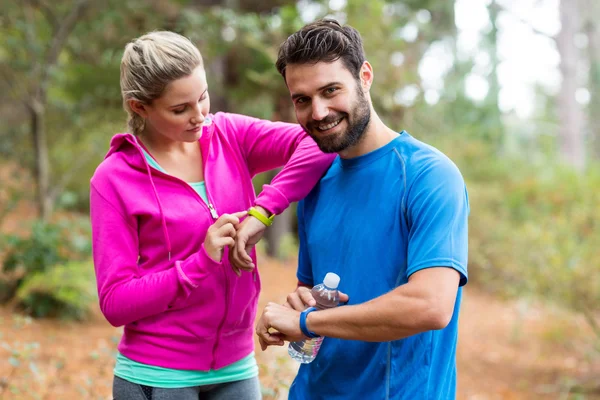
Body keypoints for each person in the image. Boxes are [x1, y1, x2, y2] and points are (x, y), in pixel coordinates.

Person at [89, 31, 334, 400]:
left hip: (238, 368)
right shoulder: (115, 179)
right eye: (179, 109)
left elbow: (317, 141)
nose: (199, 116)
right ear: (139, 107)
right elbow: (115, 301)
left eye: (202, 97)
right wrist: (198, 263)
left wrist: (263, 211)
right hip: (160, 376)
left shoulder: (228, 135)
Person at [254, 19, 470, 400]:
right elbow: (313, 289)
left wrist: (306, 320)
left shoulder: (428, 175)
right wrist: (301, 303)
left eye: (331, 90)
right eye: (302, 99)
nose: (318, 112)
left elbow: (431, 305)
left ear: (364, 76)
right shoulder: (317, 180)